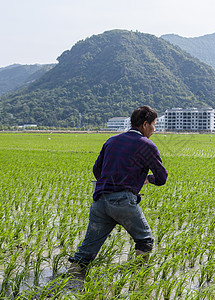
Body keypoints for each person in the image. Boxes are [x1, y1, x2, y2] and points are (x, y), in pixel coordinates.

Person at [66, 106, 168, 279]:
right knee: (145, 239)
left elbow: (96, 170)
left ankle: (69, 280)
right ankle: (139, 278)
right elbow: (162, 177)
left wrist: (111, 182)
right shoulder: (146, 144)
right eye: (154, 125)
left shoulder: (112, 141)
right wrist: (147, 179)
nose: (154, 129)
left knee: (87, 249)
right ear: (144, 124)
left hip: (100, 201)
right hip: (122, 201)